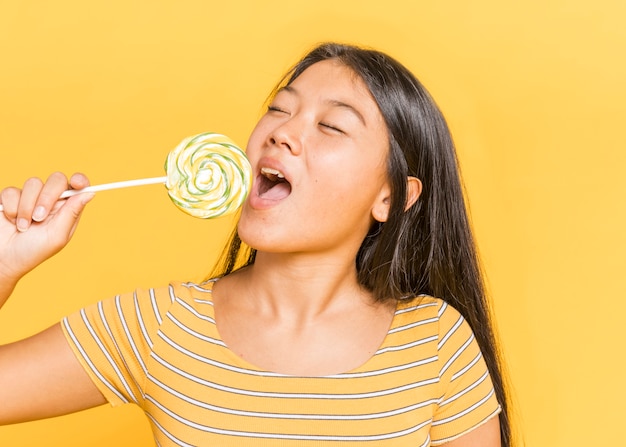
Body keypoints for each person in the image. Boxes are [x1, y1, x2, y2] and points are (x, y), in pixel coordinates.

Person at [0, 42, 511, 446]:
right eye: (278, 110)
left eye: (330, 125)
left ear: (391, 197)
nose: (283, 132)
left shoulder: (436, 343)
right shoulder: (157, 326)